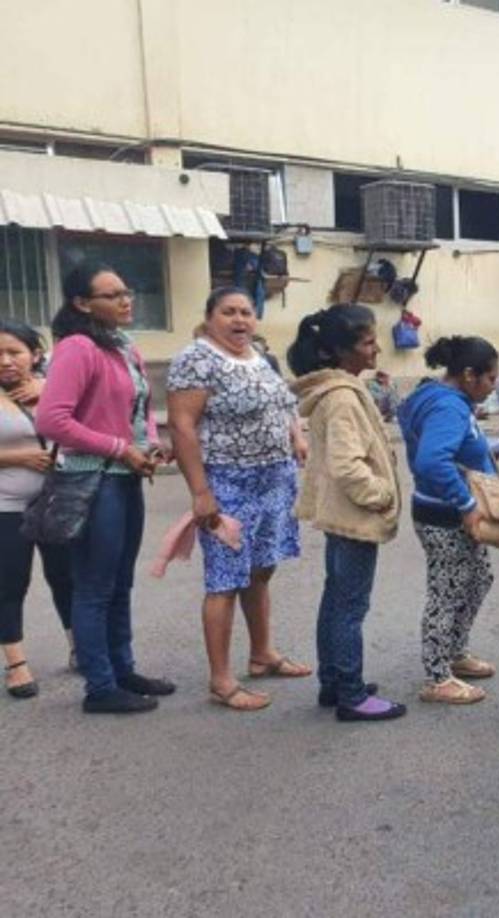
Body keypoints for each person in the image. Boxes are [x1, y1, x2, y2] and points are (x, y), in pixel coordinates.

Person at [36, 262, 175, 714]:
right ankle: (100, 686)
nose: (125, 300)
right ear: (82, 303)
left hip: (125, 476)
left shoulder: (123, 346)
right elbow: (52, 420)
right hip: (91, 480)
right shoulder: (77, 348)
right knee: (94, 585)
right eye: (111, 294)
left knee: (119, 583)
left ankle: (123, 668)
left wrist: (150, 445)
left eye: (126, 291)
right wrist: (119, 448)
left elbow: (140, 409)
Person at [166, 287, 312, 711]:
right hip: (228, 483)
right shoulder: (196, 359)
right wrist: (200, 492)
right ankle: (222, 680)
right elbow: (182, 426)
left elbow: (284, 404)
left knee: (261, 570)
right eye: (229, 312)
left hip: (275, 479)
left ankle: (262, 653)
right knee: (225, 581)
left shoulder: (258, 357)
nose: (239, 320)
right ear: (210, 316)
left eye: (246, 312)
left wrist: (297, 436)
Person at [290, 303, 406, 722]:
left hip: (343, 516)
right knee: (349, 606)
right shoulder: (341, 397)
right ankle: (351, 694)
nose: (376, 349)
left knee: (336, 599)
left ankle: (334, 682)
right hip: (354, 518)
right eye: (368, 342)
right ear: (341, 351)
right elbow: (347, 464)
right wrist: (380, 495)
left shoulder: (343, 390)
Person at [399, 335, 499, 704]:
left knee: (478, 579)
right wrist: (466, 503)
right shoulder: (448, 407)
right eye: (491, 378)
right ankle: (437, 676)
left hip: (446, 509)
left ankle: (455, 652)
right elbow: (430, 460)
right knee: (448, 590)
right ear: (470, 375)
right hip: (444, 514)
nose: (495, 386)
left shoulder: (439, 398)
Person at [0, 321, 73, 698]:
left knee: (65, 575)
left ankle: (78, 648)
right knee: (11, 583)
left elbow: (78, 428)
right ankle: (16, 664)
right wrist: (18, 457)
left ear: (34, 355)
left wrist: (47, 394)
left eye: (15, 352)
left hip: (53, 499)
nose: (6, 361)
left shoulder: (51, 389)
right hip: (5, 506)